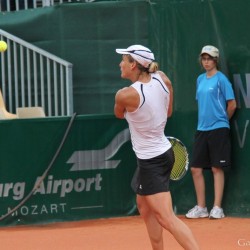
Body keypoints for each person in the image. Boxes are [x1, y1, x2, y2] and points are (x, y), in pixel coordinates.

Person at [114, 44, 200, 250]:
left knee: (167, 218)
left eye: (124, 60)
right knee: (144, 207)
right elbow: (168, 112)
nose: (120, 64)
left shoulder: (125, 95)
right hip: (160, 154)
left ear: (134, 64)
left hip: (152, 161)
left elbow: (119, 115)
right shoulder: (163, 79)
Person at [185, 45, 236, 220]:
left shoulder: (222, 80)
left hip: (219, 128)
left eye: (209, 59)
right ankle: (201, 207)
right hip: (202, 129)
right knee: (195, 169)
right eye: (204, 59)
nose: (206, 62)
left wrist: (222, 122)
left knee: (216, 168)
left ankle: (217, 208)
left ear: (215, 60)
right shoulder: (200, 79)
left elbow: (232, 104)